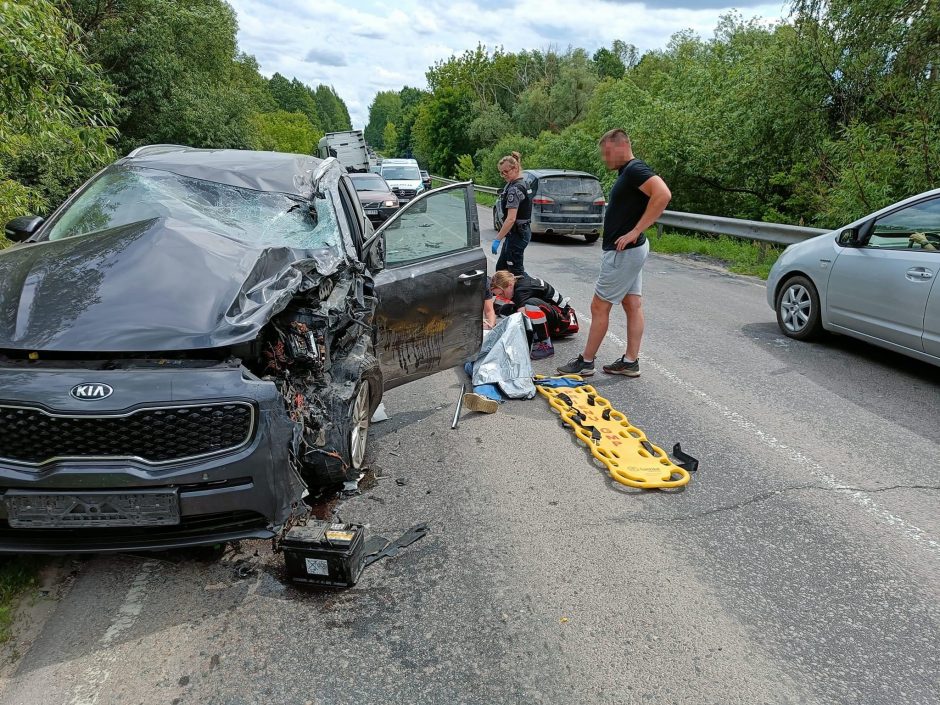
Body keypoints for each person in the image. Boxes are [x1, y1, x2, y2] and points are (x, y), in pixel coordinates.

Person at [557, 129, 671, 378]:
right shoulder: (627, 172)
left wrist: (635, 230)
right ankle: (630, 361)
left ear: (620, 147)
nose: (604, 158)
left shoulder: (634, 169)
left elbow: (663, 194)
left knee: (599, 306)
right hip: (632, 249)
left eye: (606, 153)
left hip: (625, 251)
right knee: (632, 303)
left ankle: (586, 362)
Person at [490, 270, 579, 360]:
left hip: (562, 320)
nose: (501, 297)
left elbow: (522, 319)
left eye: (501, 294)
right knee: (505, 310)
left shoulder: (521, 290)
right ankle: (538, 334)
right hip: (553, 314)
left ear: (509, 285)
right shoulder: (517, 282)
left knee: (531, 305)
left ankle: (545, 344)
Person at [491, 152, 531, 275]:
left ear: (515, 168)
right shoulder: (519, 183)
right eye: (501, 172)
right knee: (502, 269)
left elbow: (511, 219)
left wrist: (498, 239)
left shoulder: (515, 189)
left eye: (506, 172)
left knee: (515, 272)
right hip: (516, 233)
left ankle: (535, 290)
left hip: (518, 234)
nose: (503, 175)